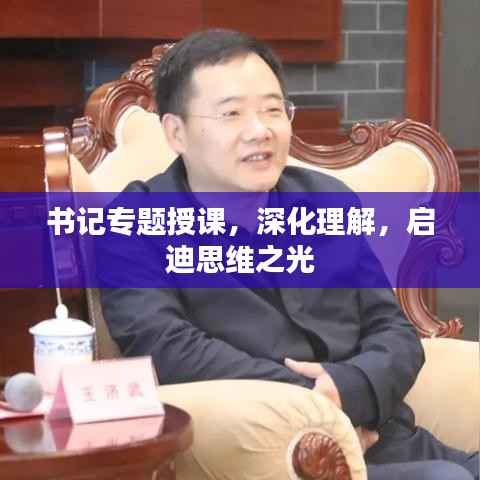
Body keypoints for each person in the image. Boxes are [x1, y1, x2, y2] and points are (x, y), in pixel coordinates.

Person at [100, 29, 478, 479]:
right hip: (272, 457)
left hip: (385, 436)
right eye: (232, 113)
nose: (260, 131)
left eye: (273, 109)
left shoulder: (327, 199)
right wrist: (318, 405)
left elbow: (392, 328)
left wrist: (352, 389)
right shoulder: (135, 221)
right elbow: (168, 349)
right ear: (176, 132)